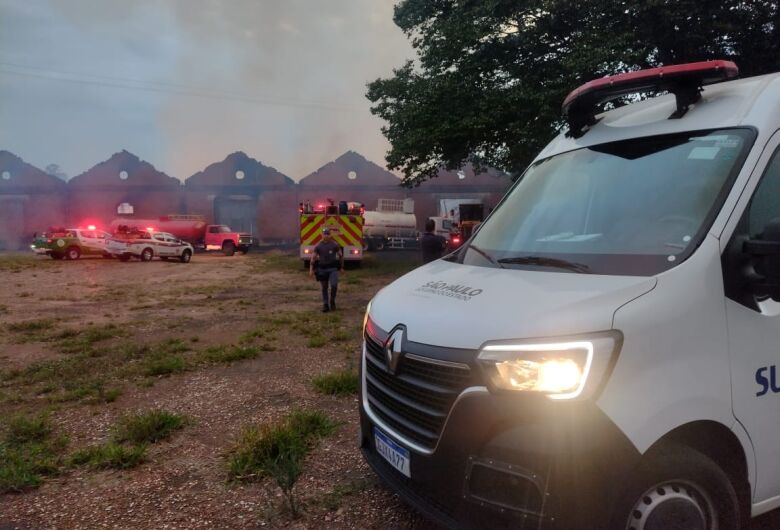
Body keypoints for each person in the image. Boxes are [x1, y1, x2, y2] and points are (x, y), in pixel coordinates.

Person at [310, 227, 344, 312]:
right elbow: (313, 258)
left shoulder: (334, 244)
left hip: (333, 268)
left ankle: (332, 301)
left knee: (334, 285)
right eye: (324, 234)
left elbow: (340, 256)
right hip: (322, 269)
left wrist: (342, 267)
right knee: (324, 287)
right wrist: (311, 269)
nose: (326, 236)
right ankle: (325, 304)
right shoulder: (318, 246)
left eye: (328, 234)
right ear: (321, 235)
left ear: (330, 235)